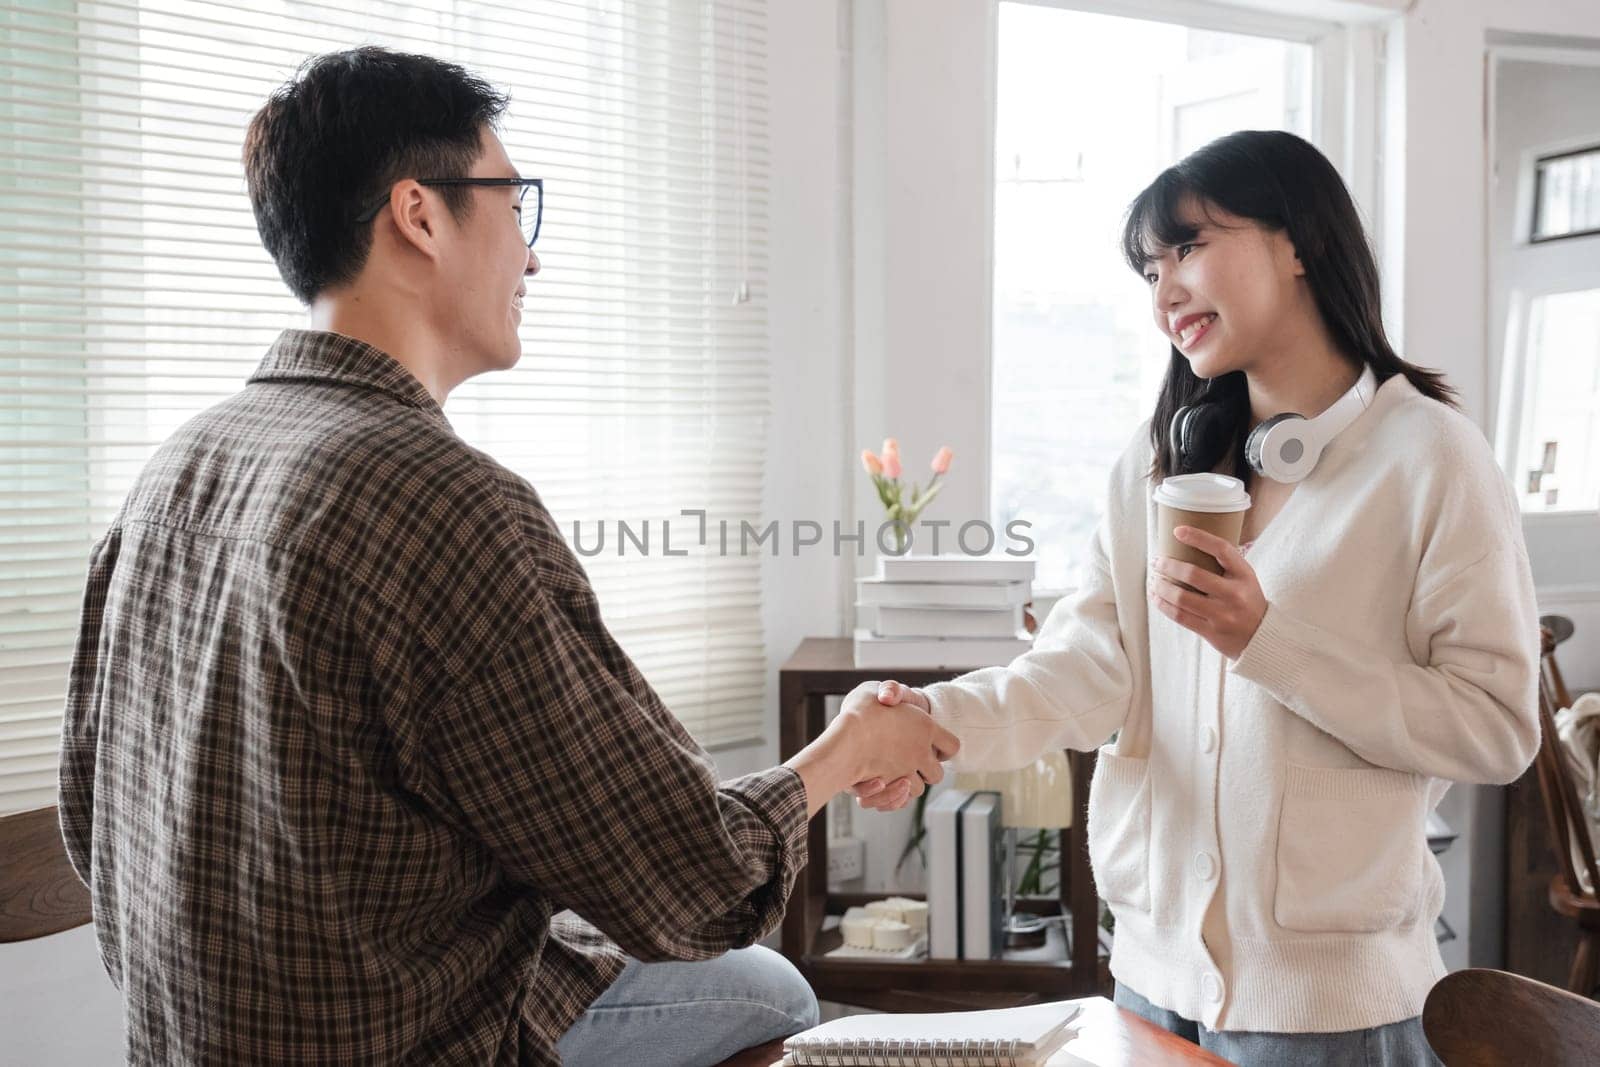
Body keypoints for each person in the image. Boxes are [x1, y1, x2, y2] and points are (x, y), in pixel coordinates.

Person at [58, 47, 958, 1066]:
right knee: (776, 987)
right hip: (408, 1042)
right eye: (513, 203)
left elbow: (91, 825)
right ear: (420, 214)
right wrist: (842, 752)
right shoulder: (438, 502)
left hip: (188, 1041)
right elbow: (698, 884)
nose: (530, 258)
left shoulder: (177, 465)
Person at [855, 130, 1539, 1065]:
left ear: (1297, 243)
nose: (1165, 289)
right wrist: (931, 721)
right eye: (1149, 269)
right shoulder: (1156, 461)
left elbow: (1496, 728)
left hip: (1334, 1016)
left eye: (1189, 248)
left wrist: (1270, 640)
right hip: (1149, 982)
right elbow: (1082, 675)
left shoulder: (1432, 460)